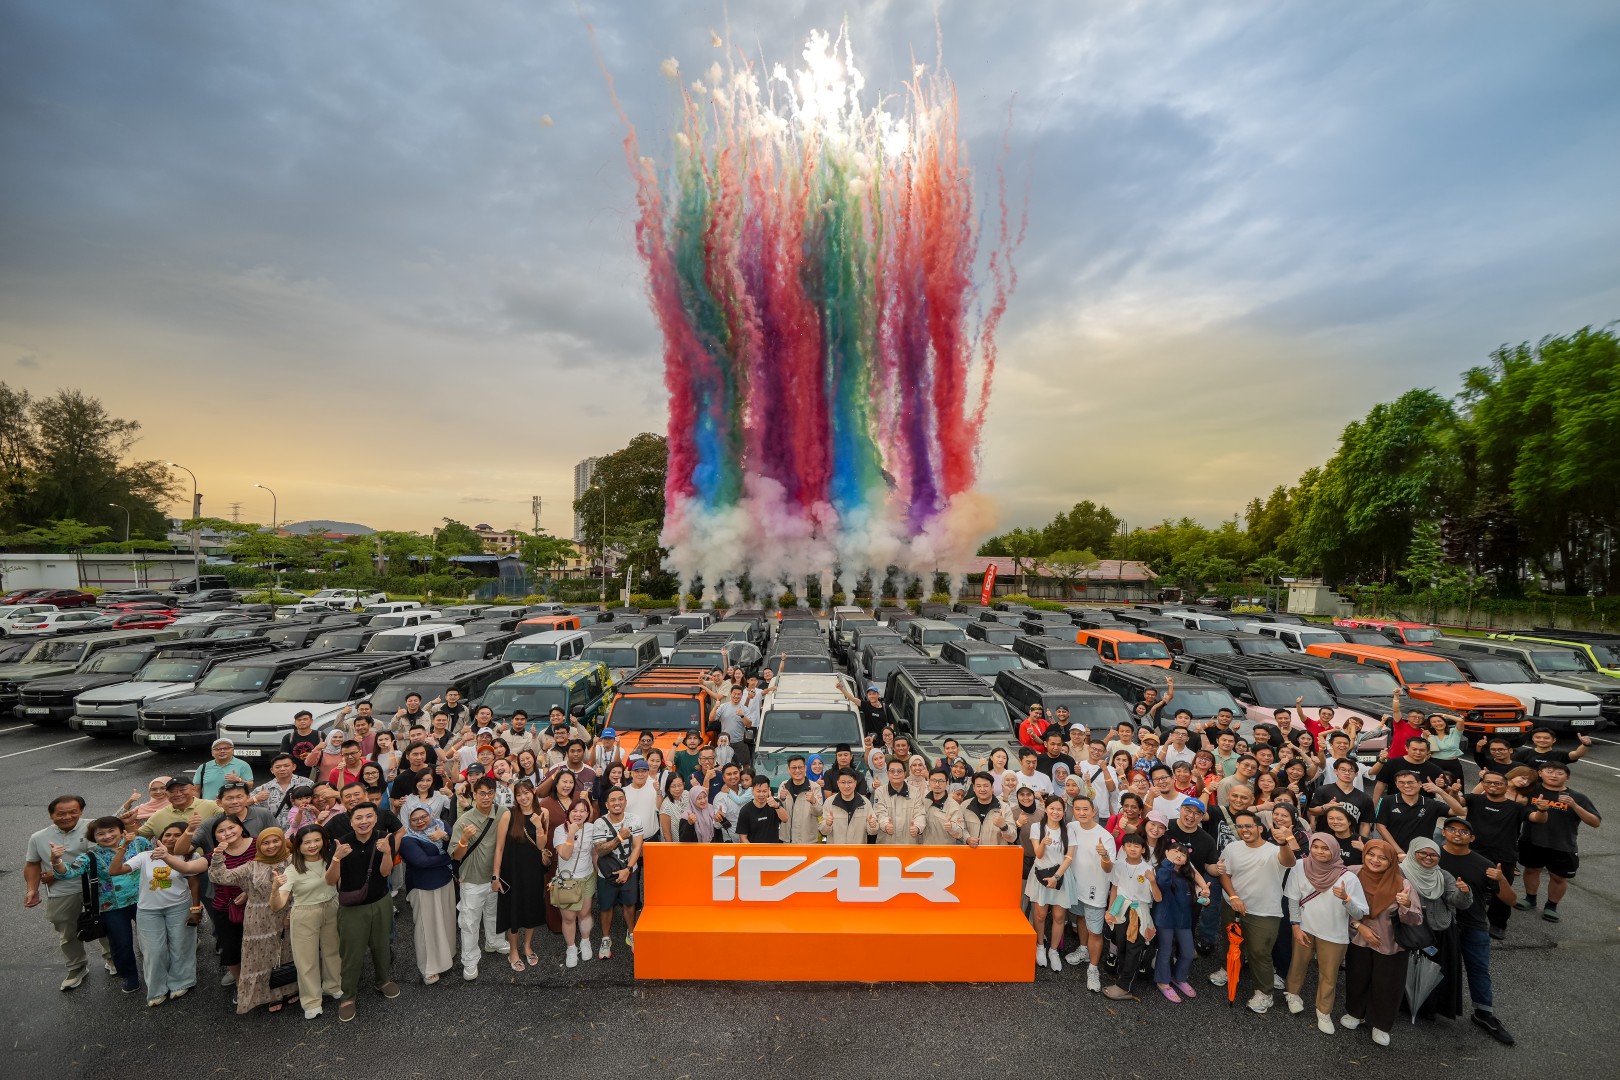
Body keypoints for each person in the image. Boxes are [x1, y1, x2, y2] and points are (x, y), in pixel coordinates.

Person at [1437, 817, 1517, 1045]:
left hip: (1474, 925)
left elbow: (1511, 900)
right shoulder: (1431, 856)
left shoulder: (1484, 864)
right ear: (1444, 832)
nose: (1457, 833)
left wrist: (1502, 880)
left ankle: (1484, 1013)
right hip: (1440, 924)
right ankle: (1428, 1004)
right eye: (1452, 829)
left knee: (1479, 969)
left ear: (1472, 838)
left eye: (1464, 831)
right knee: (1435, 965)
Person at [46, 815, 147, 995]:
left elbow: (158, 858)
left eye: (111, 831)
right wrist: (56, 860)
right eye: (100, 834)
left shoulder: (139, 843)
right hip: (112, 907)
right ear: (93, 837)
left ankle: (159, 971)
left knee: (152, 939)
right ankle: (129, 976)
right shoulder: (90, 856)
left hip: (145, 900)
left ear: (121, 830)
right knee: (121, 943)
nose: (107, 836)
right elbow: (67, 873)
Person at [1211, 809, 1298, 1013]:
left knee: (1259, 951)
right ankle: (1229, 969)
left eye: (1249, 826)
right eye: (1240, 826)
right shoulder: (1232, 848)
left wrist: (1284, 843)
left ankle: (1264, 993)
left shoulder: (1273, 850)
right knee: (1232, 942)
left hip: (1264, 912)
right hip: (1232, 906)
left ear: (1260, 828)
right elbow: (1224, 873)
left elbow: (1290, 862)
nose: (1244, 830)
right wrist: (1233, 896)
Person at [110, 821, 205, 1007]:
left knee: (182, 946)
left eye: (177, 835)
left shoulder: (190, 856)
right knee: (153, 951)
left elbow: (194, 883)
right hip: (148, 911)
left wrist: (195, 910)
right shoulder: (146, 856)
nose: (171, 839)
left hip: (179, 907)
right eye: (167, 835)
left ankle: (182, 982)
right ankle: (156, 989)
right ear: (160, 838)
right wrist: (124, 846)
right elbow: (114, 871)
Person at [1340, 838, 1423, 1047]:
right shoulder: (1352, 873)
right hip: (1358, 938)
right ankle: (1355, 1013)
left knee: (1387, 984)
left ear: (1391, 861)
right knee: (1357, 977)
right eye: (1371, 854)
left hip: (1390, 944)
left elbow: (1416, 919)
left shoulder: (1402, 883)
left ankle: (1381, 1024)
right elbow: (1339, 905)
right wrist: (1359, 926)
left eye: (1383, 858)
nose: (1375, 860)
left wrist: (1406, 904)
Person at [1282, 833, 1367, 1033]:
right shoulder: (1300, 866)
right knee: (1298, 963)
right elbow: (1293, 899)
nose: (1319, 852)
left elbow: (1359, 914)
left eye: (1325, 848)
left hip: (1333, 933)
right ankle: (1292, 995)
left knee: (1328, 974)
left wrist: (1346, 899)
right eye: (1315, 847)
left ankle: (1323, 1011)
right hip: (1304, 927)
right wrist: (1295, 925)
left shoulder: (1348, 877)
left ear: (1335, 850)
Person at [25, 794, 110, 991]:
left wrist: (56, 873)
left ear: (81, 811)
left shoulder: (94, 827)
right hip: (62, 892)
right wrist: (31, 890)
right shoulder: (38, 837)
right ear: (51, 815)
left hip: (96, 886)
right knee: (66, 931)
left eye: (73, 812)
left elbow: (100, 853)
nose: (67, 817)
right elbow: (32, 864)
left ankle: (112, 959)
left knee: (107, 924)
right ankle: (76, 967)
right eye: (61, 814)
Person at [209, 825, 297, 1014]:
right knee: (263, 956)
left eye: (276, 841)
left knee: (289, 952)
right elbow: (221, 877)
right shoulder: (252, 866)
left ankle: (291, 988)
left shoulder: (293, 861)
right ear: (259, 846)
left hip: (289, 914)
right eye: (266, 843)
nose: (271, 846)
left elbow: (301, 890)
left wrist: (290, 914)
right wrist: (217, 856)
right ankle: (271, 994)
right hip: (260, 919)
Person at [329, 803, 398, 1022]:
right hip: (352, 908)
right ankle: (348, 996)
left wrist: (387, 852)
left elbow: (385, 872)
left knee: (381, 945)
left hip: (380, 901)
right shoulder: (341, 843)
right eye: (359, 818)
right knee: (352, 952)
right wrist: (336, 858)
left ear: (376, 819)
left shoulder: (384, 838)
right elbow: (330, 880)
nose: (364, 821)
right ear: (351, 821)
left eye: (369, 816)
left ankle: (383, 980)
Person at [272, 825, 342, 1019]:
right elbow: (278, 904)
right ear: (298, 846)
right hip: (305, 912)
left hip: (332, 906)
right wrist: (274, 889)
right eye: (306, 842)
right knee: (306, 959)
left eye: (317, 840)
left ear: (324, 841)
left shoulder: (330, 859)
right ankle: (311, 1001)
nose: (312, 845)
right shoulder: (292, 869)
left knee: (333, 950)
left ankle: (333, 985)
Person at [1518, 760, 1601, 921]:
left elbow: (1595, 822)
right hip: (1531, 840)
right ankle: (1530, 898)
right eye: (1549, 771)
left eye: (1559, 773)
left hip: (1562, 844)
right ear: (1540, 773)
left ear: (1567, 777)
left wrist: (1575, 806)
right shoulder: (1530, 791)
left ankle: (1551, 906)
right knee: (1531, 870)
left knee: (1558, 877)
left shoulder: (1578, 797)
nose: (1554, 775)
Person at [1402, 837, 1472, 1020]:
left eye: (1434, 855)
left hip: (1441, 931)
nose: (1428, 857)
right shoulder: (1401, 871)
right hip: (1412, 929)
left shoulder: (1443, 875)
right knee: (1408, 967)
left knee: (1436, 971)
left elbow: (1457, 902)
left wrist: (1464, 892)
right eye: (1423, 853)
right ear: (1413, 853)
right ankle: (1406, 1005)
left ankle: (1430, 1008)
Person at [493, 780, 551, 970]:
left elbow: (542, 845)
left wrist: (539, 825)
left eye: (526, 793)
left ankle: (527, 946)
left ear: (533, 791)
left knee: (531, 908)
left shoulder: (543, 813)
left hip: (533, 870)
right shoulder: (508, 814)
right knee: (514, 910)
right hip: (512, 871)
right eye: (519, 794)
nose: (523, 797)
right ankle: (513, 950)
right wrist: (495, 875)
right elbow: (499, 847)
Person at [1463, 771, 1528, 939]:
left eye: (1498, 783)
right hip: (1473, 852)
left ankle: (1498, 924)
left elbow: (1537, 818)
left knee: (1500, 889)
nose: (1493, 786)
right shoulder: (1475, 799)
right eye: (1488, 782)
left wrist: (1542, 810)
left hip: (1503, 856)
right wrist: (1451, 791)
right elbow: (1458, 802)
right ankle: (1465, 917)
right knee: (1467, 885)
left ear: (1506, 786)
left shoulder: (1517, 807)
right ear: (1483, 784)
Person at [1061, 795, 1116, 990]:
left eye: (1086, 809)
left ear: (1094, 811)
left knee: (1095, 931)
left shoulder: (1105, 836)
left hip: (1096, 890)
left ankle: (1093, 969)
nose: (1081, 813)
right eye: (1077, 809)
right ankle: (1083, 950)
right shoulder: (1071, 827)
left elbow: (1109, 869)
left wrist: (1105, 856)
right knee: (1081, 918)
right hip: (1076, 887)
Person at [450, 776, 502, 980]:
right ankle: (470, 960)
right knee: (470, 922)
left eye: (490, 793)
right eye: (482, 793)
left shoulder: (501, 813)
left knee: (493, 912)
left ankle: (494, 941)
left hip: (494, 876)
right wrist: (464, 839)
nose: (486, 797)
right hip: (472, 879)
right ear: (474, 795)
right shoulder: (464, 820)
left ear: (495, 793)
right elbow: (455, 856)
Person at [398, 806, 456, 985]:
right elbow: (422, 862)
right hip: (423, 887)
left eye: (424, 816)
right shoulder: (407, 839)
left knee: (445, 921)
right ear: (408, 821)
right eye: (415, 819)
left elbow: (454, 842)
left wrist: (444, 837)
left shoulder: (441, 825)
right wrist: (449, 857)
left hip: (445, 881)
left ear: (431, 814)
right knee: (426, 928)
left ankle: (446, 956)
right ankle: (428, 968)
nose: (420, 821)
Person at [591, 787, 644, 958]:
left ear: (625, 802)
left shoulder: (634, 819)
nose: (617, 803)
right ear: (606, 804)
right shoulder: (599, 823)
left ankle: (631, 933)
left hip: (629, 870)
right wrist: (620, 838)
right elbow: (600, 851)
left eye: (620, 799)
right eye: (612, 800)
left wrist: (628, 869)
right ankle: (606, 938)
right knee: (606, 906)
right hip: (606, 873)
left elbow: (637, 847)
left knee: (630, 904)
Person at [1025, 795, 1076, 973]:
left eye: (1059, 809)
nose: (1055, 812)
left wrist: (1056, 877)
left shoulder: (1068, 830)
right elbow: (1038, 855)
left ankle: (1053, 951)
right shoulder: (1036, 827)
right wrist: (1043, 843)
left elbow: (1069, 857)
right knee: (1039, 915)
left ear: (1064, 811)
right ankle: (1040, 946)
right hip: (1040, 875)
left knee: (1059, 916)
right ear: (1045, 809)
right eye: (1052, 808)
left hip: (1060, 875)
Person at [1152, 841, 1209, 1002]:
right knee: (1165, 951)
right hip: (1165, 918)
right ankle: (1163, 982)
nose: (1179, 855)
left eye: (1183, 854)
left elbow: (1198, 898)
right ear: (1166, 853)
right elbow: (1162, 884)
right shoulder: (1160, 870)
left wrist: (1204, 897)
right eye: (1175, 851)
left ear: (1186, 860)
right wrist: (1168, 863)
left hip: (1183, 919)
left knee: (1188, 952)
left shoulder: (1187, 875)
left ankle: (1179, 977)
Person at [1373, 770, 1464, 857]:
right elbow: (1380, 827)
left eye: (1410, 782)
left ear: (1420, 784)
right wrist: (1399, 852)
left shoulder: (1431, 804)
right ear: (1396, 784)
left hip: (1423, 855)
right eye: (1401, 782)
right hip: (1393, 853)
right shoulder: (1387, 801)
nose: (1406, 785)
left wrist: (1440, 791)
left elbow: (1459, 811)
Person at [552, 799, 597, 967]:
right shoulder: (560, 830)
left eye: (583, 811)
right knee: (569, 918)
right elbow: (564, 854)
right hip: (566, 880)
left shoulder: (592, 828)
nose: (578, 814)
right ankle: (571, 948)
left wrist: (599, 872)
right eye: (574, 811)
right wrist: (571, 833)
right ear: (569, 813)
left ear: (588, 814)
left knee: (585, 914)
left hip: (586, 877)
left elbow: (594, 853)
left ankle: (585, 941)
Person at [820, 768, 880, 843]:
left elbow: (873, 832)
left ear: (855, 783)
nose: (846, 786)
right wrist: (827, 824)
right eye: (843, 782)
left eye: (849, 782)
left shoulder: (865, 803)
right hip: (836, 849)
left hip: (858, 849)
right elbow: (823, 831)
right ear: (838, 783)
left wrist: (873, 826)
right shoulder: (829, 802)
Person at [736, 776, 786, 843]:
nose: (761, 794)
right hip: (754, 848)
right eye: (758, 791)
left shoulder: (775, 803)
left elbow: (785, 819)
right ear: (752, 790)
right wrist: (751, 849)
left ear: (769, 790)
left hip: (773, 847)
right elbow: (743, 837)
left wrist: (777, 806)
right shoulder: (745, 810)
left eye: (764, 791)